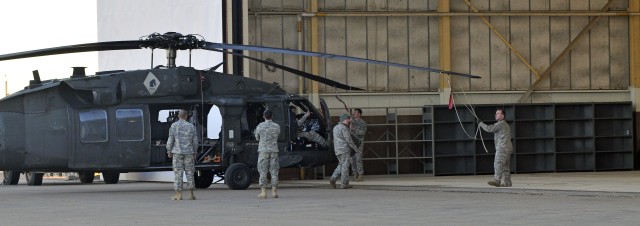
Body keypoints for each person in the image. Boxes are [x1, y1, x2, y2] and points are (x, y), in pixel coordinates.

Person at [166, 109, 198, 200]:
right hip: (189, 153)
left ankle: (178, 194)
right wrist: (195, 152)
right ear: (186, 116)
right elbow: (195, 141)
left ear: (178, 116)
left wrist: (169, 151)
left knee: (178, 173)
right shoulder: (191, 126)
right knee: (190, 172)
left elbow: (170, 140)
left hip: (177, 153)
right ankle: (191, 194)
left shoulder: (174, 126)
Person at [479, 109, 513, 187]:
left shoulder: (501, 124)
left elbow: (489, 128)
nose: (496, 115)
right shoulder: (506, 125)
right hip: (508, 147)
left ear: (503, 116)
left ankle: (497, 180)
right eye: (496, 113)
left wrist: (480, 123)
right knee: (505, 166)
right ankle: (508, 182)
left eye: (498, 113)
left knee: (498, 163)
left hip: (502, 147)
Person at [254, 109, 281, 199]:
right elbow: (277, 136)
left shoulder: (260, 126)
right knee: (274, 171)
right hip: (274, 151)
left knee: (263, 171)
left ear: (263, 116)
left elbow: (257, 138)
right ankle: (274, 192)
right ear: (272, 116)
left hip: (263, 151)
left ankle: (263, 192)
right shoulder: (276, 126)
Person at [330, 114, 360, 189]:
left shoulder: (335, 127)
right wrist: (356, 149)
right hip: (344, 149)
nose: (349, 121)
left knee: (341, 164)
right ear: (344, 119)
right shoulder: (344, 128)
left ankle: (333, 178)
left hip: (337, 150)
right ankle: (344, 184)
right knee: (345, 166)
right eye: (348, 119)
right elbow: (349, 140)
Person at [349, 108, 367, 182]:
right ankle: (355, 174)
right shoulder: (351, 121)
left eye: (356, 112)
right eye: (354, 112)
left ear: (359, 114)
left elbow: (362, 133)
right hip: (352, 142)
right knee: (352, 159)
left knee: (358, 158)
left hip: (359, 142)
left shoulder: (362, 122)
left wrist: (353, 128)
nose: (354, 113)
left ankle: (360, 175)